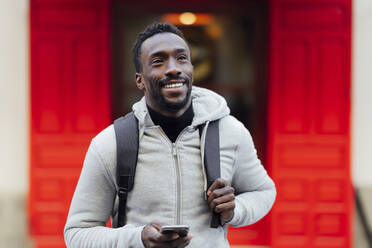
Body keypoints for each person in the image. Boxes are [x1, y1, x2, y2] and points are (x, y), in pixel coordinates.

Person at [64, 22, 276, 248]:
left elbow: (263, 192)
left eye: (182, 58)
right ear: (140, 80)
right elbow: (77, 233)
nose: (173, 68)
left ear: (192, 69)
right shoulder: (110, 144)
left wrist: (235, 210)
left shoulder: (230, 132)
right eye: (158, 61)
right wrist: (137, 239)